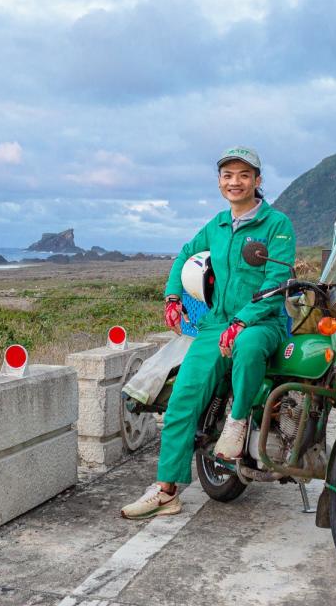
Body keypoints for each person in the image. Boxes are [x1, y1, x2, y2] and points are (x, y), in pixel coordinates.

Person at [121, 146, 296, 519]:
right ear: (220, 182)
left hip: (262, 322)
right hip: (216, 324)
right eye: (228, 175)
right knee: (184, 396)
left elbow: (276, 282)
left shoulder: (277, 225)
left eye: (244, 175)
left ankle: (237, 422)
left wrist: (244, 320)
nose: (235, 182)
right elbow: (184, 255)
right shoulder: (216, 225)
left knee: (248, 347)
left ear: (257, 181)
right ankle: (166, 490)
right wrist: (172, 296)